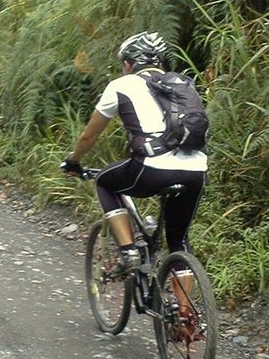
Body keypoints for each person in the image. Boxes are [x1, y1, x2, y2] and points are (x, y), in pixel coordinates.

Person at [61, 32, 207, 275]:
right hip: (196, 170)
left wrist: (73, 161)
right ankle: (185, 312)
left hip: (152, 168)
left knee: (105, 181)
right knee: (178, 242)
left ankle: (129, 251)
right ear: (160, 62)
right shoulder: (184, 84)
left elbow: (89, 135)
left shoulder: (121, 85)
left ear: (128, 63)